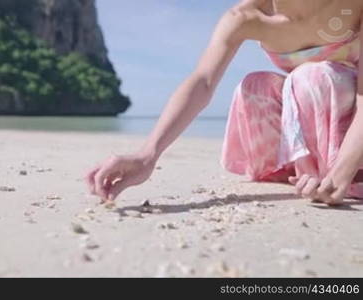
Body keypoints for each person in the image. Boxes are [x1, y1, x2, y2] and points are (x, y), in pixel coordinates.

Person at [85, 0, 363, 206]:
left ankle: (335, 179)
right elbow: (203, 81)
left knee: (311, 76)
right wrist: (147, 155)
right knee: (254, 87)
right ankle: (302, 174)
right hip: (312, 121)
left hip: (353, 136)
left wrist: (344, 168)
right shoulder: (246, 16)